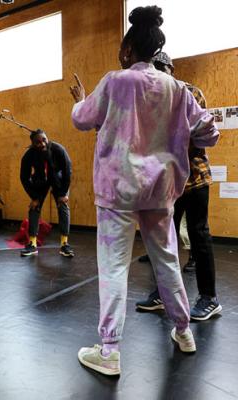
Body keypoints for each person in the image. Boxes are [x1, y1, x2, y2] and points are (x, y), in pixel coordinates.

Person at [70, 6, 219, 376]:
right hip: (159, 192)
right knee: (167, 260)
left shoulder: (115, 81)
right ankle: (184, 332)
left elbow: (82, 119)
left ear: (127, 50)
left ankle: (109, 351)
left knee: (114, 267)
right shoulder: (177, 88)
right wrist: (178, 136)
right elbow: (209, 132)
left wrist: (80, 97)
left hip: (117, 191)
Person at [136, 52, 222, 321]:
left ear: (171, 69)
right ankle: (164, 293)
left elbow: (200, 139)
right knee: (165, 240)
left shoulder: (190, 94)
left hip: (195, 179)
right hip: (170, 184)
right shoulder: (152, 100)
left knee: (199, 235)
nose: (160, 73)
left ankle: (209, 298)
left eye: (163, 68)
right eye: (155, 69)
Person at [20, 129, 74, 257]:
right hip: (40, 180)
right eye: (38, 142)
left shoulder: (58, 150)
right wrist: (34, 197)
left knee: (63, 206)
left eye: (44, 139)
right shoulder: (28, 155)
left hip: (58, 180)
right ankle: (32, 244)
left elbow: (67, 172)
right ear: (33, 144)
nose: (42, 144)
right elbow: (24, 177)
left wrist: (63, 194)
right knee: (34, 207)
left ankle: (64, 244)